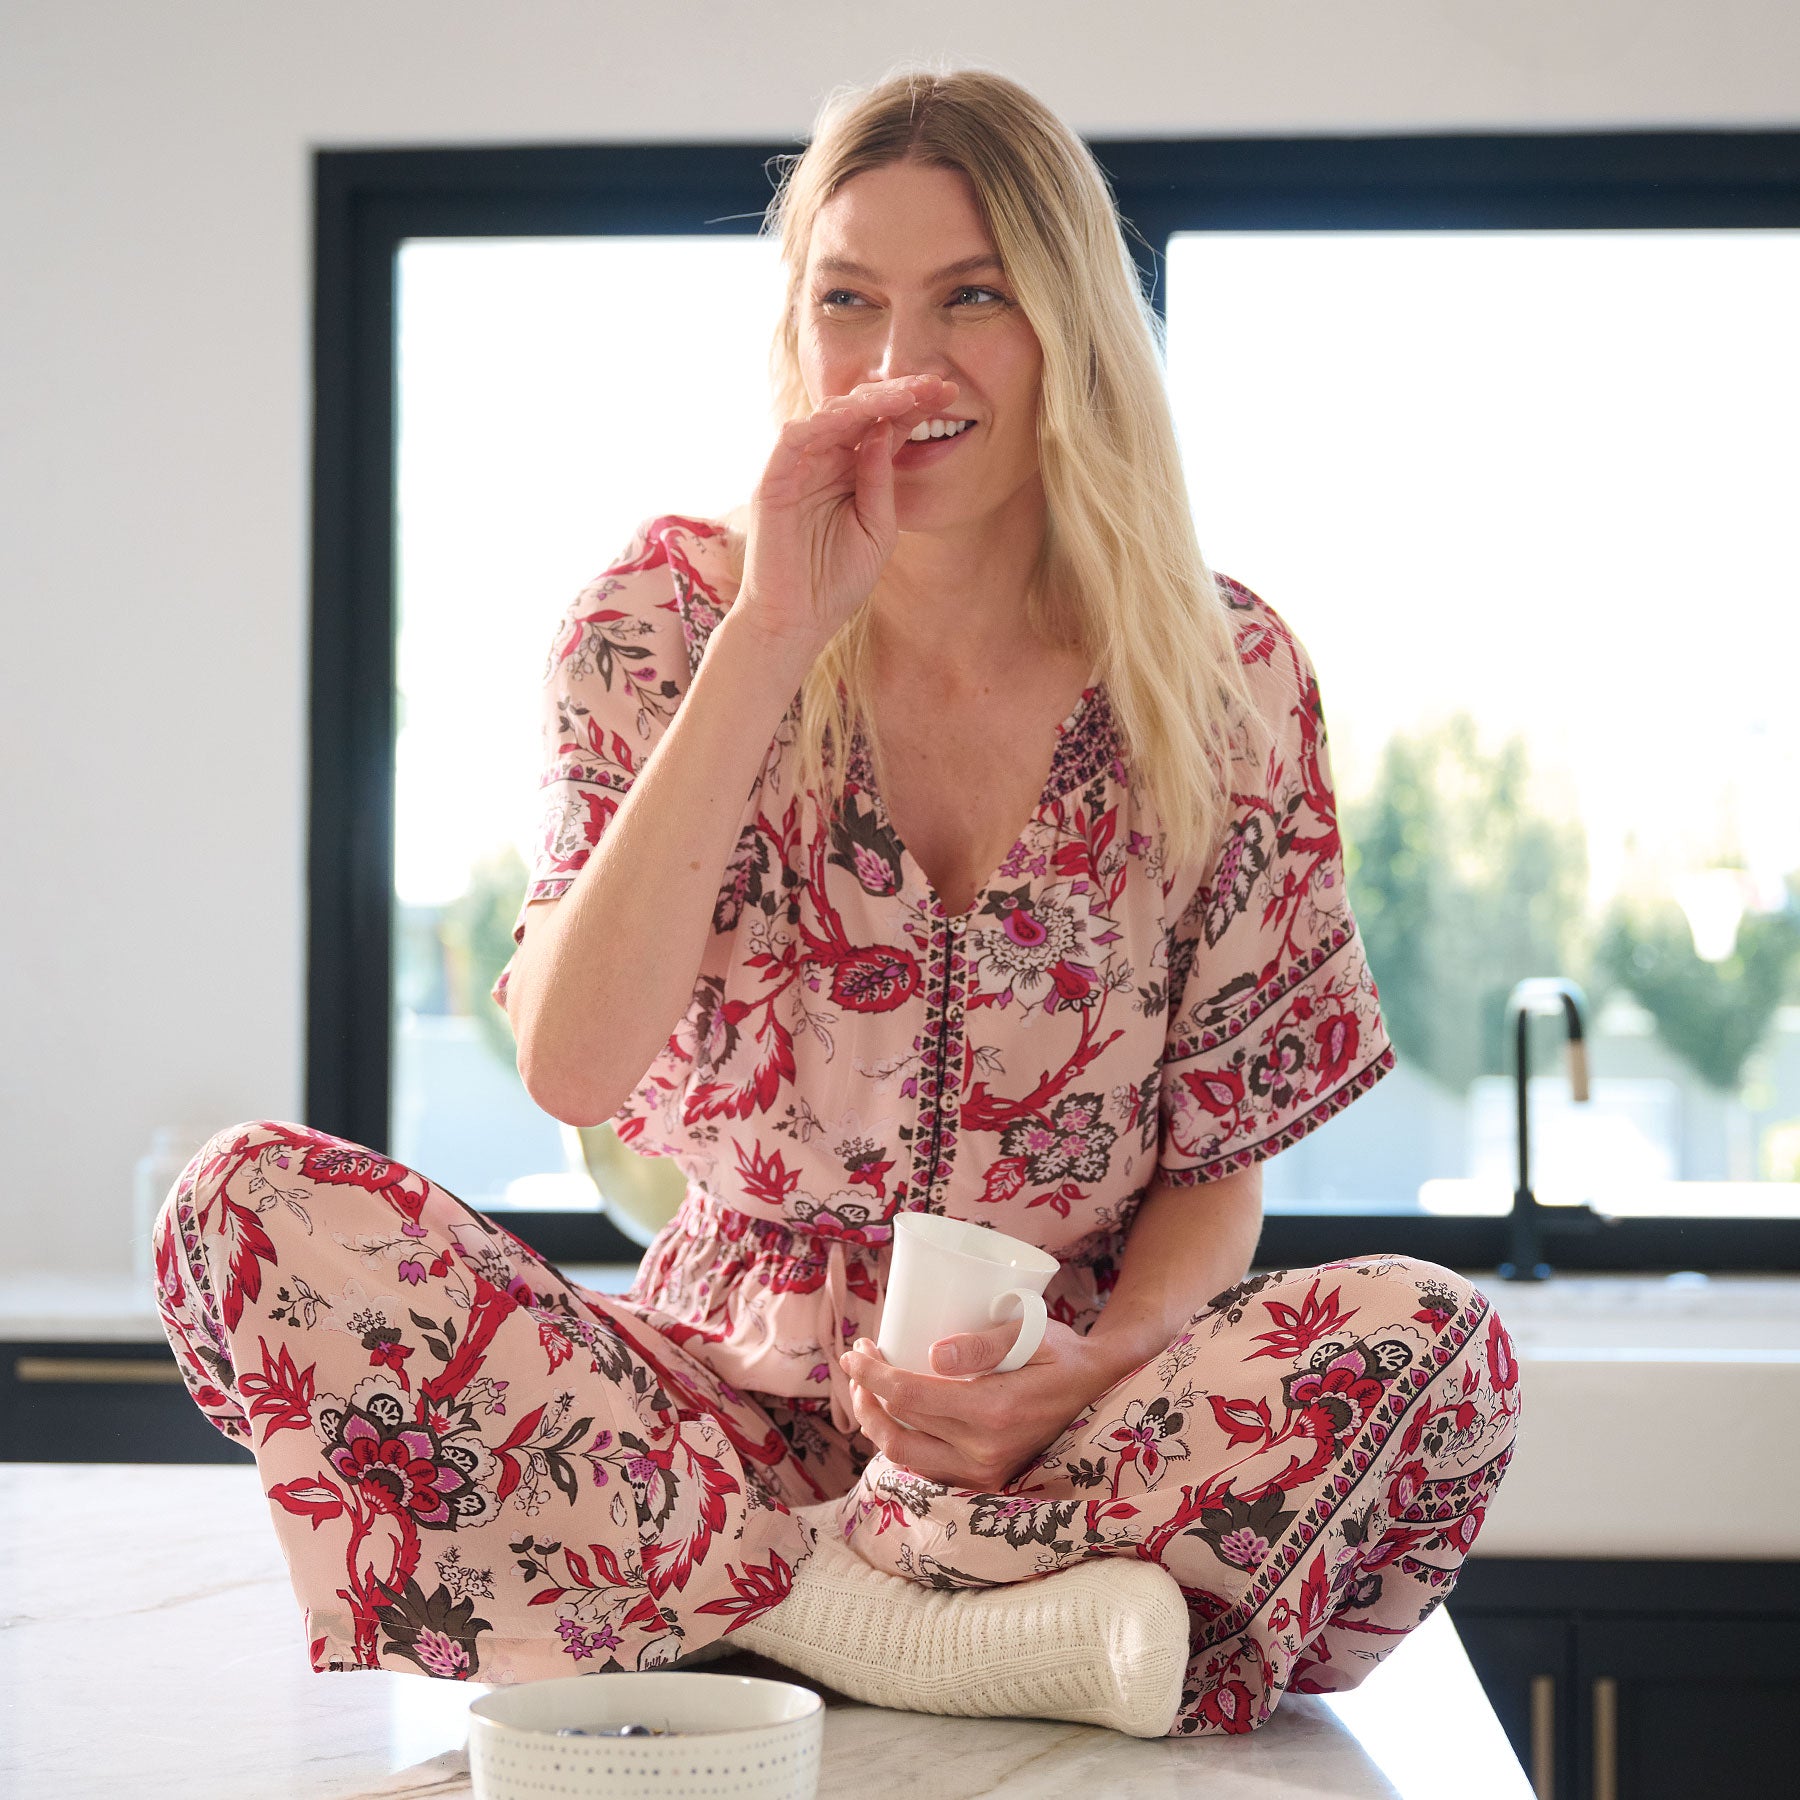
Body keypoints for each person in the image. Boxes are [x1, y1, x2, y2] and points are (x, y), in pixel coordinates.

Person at [151, 64, 1522, 1740]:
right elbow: (575, 1065)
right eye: (848, 300)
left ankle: (736, 1607)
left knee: (1433, 1341)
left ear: (1075, 328)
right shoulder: (661, 624)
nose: (899, 366)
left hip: (1058, 1427)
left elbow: (1218, 1157)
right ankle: (873, 1613)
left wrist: (1096, 1367)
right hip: (704, 1418)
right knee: (241, 1211)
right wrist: (774, 633)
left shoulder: (1225, 670)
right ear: (793, 327)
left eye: (974, 298)